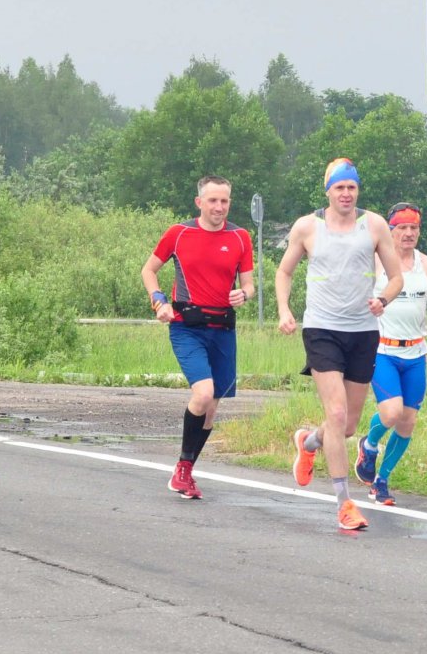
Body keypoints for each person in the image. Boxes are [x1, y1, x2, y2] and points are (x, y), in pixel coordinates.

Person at [276, 158, 405, 532]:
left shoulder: (375, 225)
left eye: (352, 187)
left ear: (357, 190)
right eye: (339, 188)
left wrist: (383, 299)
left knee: (346, 427)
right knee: (335, 414)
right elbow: (284, 271)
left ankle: (308, 442)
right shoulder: (307, 226)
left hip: (363, 331)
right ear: (328, 190)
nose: (346, 194)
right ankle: (344, 502)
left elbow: (396, 277)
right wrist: (285, 309)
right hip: (322, 330)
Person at [141, 175, 255, 500]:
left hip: (223, 330)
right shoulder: (179, 234)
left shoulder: (240, 237)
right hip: (186, 325)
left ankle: (186, 470)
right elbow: (148, 270)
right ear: (199, 203)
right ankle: (181, 469)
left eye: (225, 201)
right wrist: (158, 300)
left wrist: (243, 295)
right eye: (213, 201)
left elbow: (249, 284)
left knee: (212, 407)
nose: (219, 207)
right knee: (203, 394)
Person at [354, 203, 427, 505]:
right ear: (390, 230)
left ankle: (382, 481)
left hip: (416, 352)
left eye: (414, 228)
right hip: (382, 349)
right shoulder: (374, 262)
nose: (409, 233)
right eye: (402, 227)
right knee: (391, 412)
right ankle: (369, 444)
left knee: (407, 421)